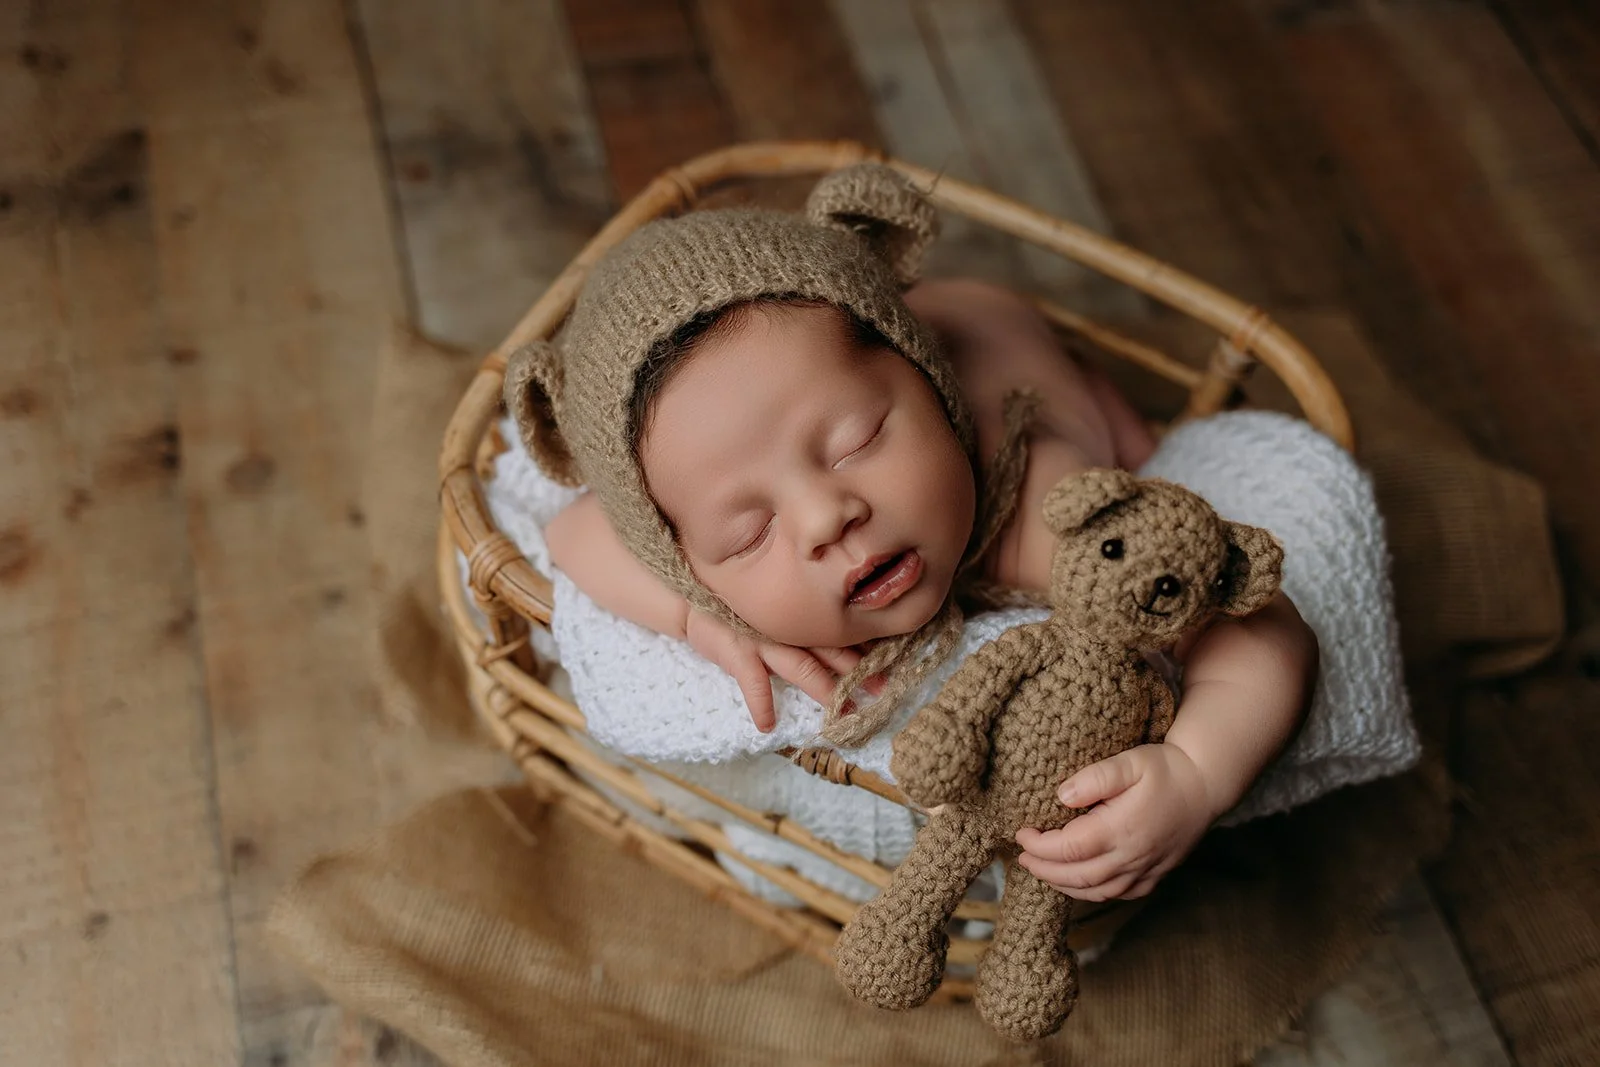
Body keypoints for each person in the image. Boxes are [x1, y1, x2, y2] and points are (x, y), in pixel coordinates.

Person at [506, 164, 1317, 904]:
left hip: (1000, 332)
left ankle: (1096, 403)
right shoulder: (683, 527)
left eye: (856, 440)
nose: (828, 517)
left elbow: (1263, 625)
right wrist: (696, 615)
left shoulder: (1044, 517)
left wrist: (1197, 771)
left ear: (936, 388)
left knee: (1140, 465)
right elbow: (578, 528)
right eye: (748, 532)